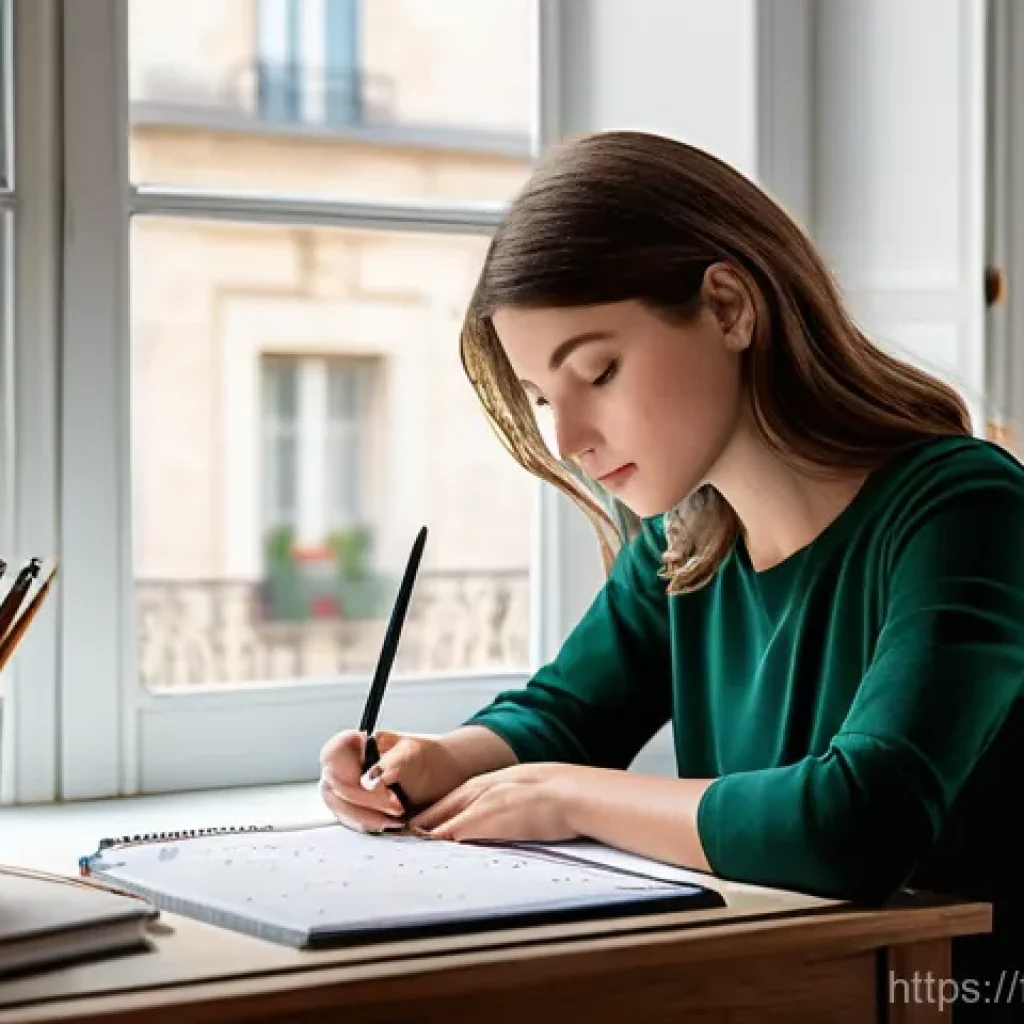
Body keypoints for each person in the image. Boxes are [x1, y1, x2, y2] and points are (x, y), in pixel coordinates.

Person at [319, 131, 1024, 1019]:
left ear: (729, 306)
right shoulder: (685, 535)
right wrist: (427, 763)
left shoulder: (964, 506)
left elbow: (860, 823)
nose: (569, 440)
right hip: (790, 986)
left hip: (953, 997)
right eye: (544, 398)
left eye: (598, 372)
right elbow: (566, 716)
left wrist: (568, 795)